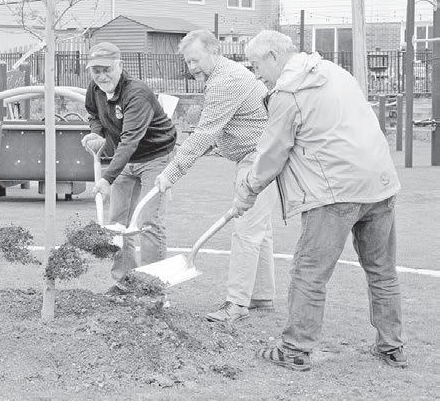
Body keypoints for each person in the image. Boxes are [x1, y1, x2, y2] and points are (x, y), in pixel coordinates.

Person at [234, 30, 405, 371]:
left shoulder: (289, 92)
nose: (256, 74)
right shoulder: (337, 73)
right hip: (379, 183)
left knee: (308, 272)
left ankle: (295, 349)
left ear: (273, 56)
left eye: (256, 65)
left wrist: (247, 191)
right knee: (382, 270)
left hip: (334, 192)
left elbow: (272, 153)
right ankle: (392, 347)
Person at [154, 30, 276, 323]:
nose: (191, 67)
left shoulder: (225, 82)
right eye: (188, 62)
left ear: (214, 51)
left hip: (258, 159)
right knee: (260, 230)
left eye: (195, 60)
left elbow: (204, 133)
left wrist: (170, 174)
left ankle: (237, 303)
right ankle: (261, 295)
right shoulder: (223, 75)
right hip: (261, 154)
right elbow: (217, 130)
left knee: (246, 229)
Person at [81, 42, 177, 292]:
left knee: (148, 222)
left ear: (120, 66)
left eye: (107, 69)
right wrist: (97, 132)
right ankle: (125, 283)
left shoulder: (137, 93)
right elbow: (93, 113)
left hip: (155, 157)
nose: (102, 76)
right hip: (125, 159)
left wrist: (107, 179)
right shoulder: (95, 89)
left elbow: (130, 139)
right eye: (96, 70)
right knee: (117, 222)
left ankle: (153, 287)